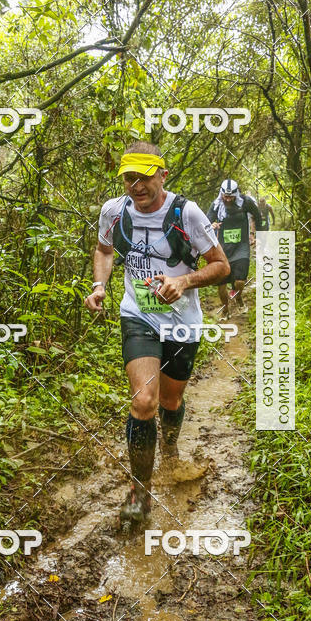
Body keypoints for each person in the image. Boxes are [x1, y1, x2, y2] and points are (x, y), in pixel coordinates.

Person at [84, 141, 229, 524]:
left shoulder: (188, 213)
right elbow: (103, 250)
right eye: (129, 178)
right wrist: (99, 286)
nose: (137, 186)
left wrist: (185, 282)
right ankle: (139, 492)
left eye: (144, 177)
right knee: (144, 401)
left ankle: (170, 445)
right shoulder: (114, 212)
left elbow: (221, 266)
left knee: (170, 401)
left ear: (162, 175)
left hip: (183, 322)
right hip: (139, 316)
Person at [207, 178, 264, 318]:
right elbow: (205, 222)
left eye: (230, 197)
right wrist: (212, 226)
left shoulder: (245, 202)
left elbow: (257, 216)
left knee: (239, 280)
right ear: (221, 194)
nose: (227, 199)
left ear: (236, 194)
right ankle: (225, 309)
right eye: (225, 196)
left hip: (241, 246)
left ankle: (238, 299)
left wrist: (257, 235)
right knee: (222, 284)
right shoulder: (216, 205)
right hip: (223, 248)